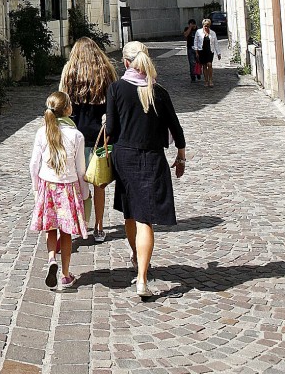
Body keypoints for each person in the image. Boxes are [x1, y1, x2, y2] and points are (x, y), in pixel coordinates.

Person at [106, 41, 186, 300]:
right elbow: (176, 128)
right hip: (152, 157)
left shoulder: (116, 89)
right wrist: (181, 156)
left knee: (131, 211)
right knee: (144, 218)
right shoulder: (158, 92)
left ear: (126, 63)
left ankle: (136, 258)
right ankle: (142, 277)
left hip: (124, 157)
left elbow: (110, 130)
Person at [29, 90, 89, 291]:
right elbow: (81, 168)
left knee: (50, 227)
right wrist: (84, 192)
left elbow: (33, 164)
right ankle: (64, 274)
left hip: (47, 185)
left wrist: (36, 188)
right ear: (67, 109)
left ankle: (51, 258)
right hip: (68, 188)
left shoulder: (42, 132)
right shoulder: (76, 135)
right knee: (66, 232)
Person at [59, 37, 117, 243]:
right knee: (98, 182)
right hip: (99, 135)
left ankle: (80, 221)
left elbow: (61, 102)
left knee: (76, 182)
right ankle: (99, 226)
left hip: (74, 134)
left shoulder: (69, 72)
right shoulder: (106, 72)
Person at [195, 18, 221, 87]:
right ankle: (206, 80)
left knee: (209, 64)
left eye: (208, 26)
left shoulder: (213, 33)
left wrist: (218, 53)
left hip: (210, 51)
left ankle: (211, 80)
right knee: (204, 66)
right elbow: (196, 42)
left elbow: (216, 43)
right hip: (202, 51)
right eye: (205, 26)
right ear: (203, 25)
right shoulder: (198, 32)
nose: (206, 27)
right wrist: (196, 52)